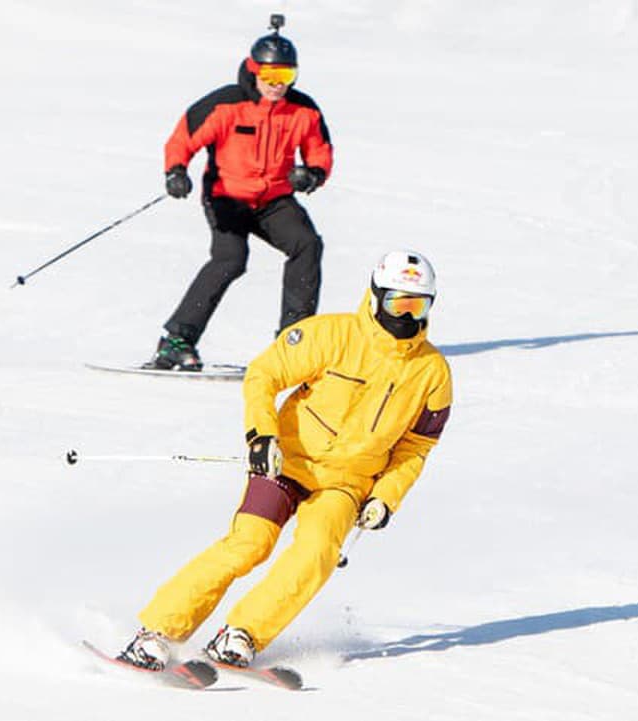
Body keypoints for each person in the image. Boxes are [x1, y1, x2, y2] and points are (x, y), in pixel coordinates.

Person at [119, 250, 453, 670]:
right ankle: (157, 633)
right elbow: (264, 374)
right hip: (285, 463)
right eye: (396, 302)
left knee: (317, 554)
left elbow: (416, 447)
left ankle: (242, 635)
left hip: (346, 484)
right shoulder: (332, 335)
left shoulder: (432, 372)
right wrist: (262, 435)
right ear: (375, 297)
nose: (405, 315)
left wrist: (385, 497)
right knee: (249, 544)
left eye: (416, 305)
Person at [146, 16, 333, 371]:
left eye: (286, 77)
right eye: (271, 77)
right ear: (254, 70)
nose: (278, 86)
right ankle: (176, 340)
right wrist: (176, 172)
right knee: (230, 259)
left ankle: (294, 341)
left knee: (307, 244)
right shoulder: (226, 104)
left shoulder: (303, 111)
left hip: (273, 199)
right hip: (226, 197)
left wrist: (311, 175)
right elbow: (183, 137)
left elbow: (320, 151)